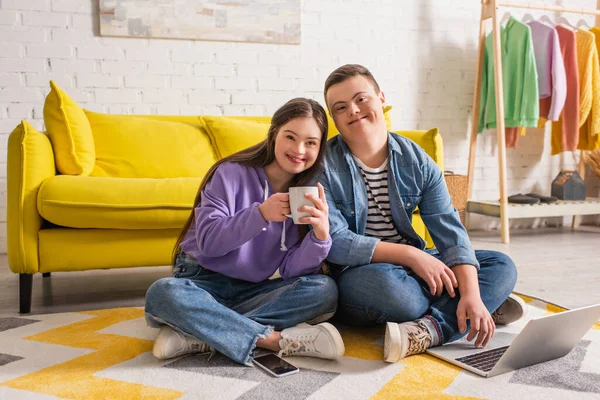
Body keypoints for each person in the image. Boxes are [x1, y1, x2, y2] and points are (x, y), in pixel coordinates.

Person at [318, 64, 525, 363]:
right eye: (341, 107)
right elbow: (335, 242)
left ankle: (434, 327)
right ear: (334, 118)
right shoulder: (323, 166)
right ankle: (471, 307)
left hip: (417, 267)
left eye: (361, 99)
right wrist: (412, 256)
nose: (353, 110)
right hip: (363, 274)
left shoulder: (417, 161)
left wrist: (470, 291)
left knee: (501, 264)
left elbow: (451, 233)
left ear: (381, 98)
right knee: (399, 296)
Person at [145, 98, 345, 366]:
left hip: (252, 288)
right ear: (274, 134)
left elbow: (291, 271)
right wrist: (260, 214)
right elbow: (209, 244)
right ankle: (270, 340)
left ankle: (201, 331)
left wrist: (320, 236)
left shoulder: (307, 190)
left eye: (310, 142)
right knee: (163, 293)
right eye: (290, 137)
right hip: (202, 280)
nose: (299, 149)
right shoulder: (229, 174)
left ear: (319, 148)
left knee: (324, 290)